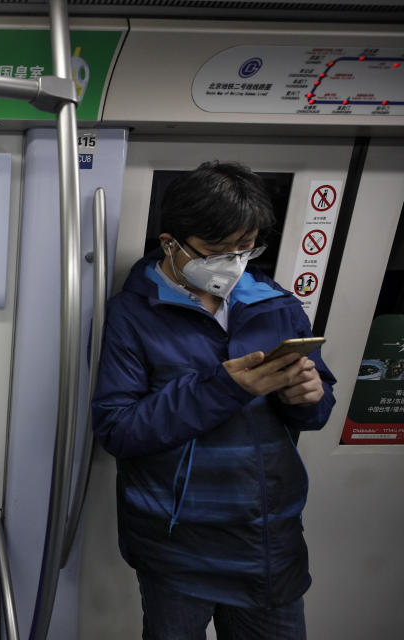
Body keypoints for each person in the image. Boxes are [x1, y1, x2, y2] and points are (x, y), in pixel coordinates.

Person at [92, 161, 336, 639]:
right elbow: (118, 429)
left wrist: (309, 397)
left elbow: (316, 409)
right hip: (178, 544)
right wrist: (225, 388)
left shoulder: (275, 304)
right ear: (171, 243)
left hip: (268, 538)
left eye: (245, 249)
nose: (233, 262)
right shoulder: (133, 315)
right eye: (217, 251)